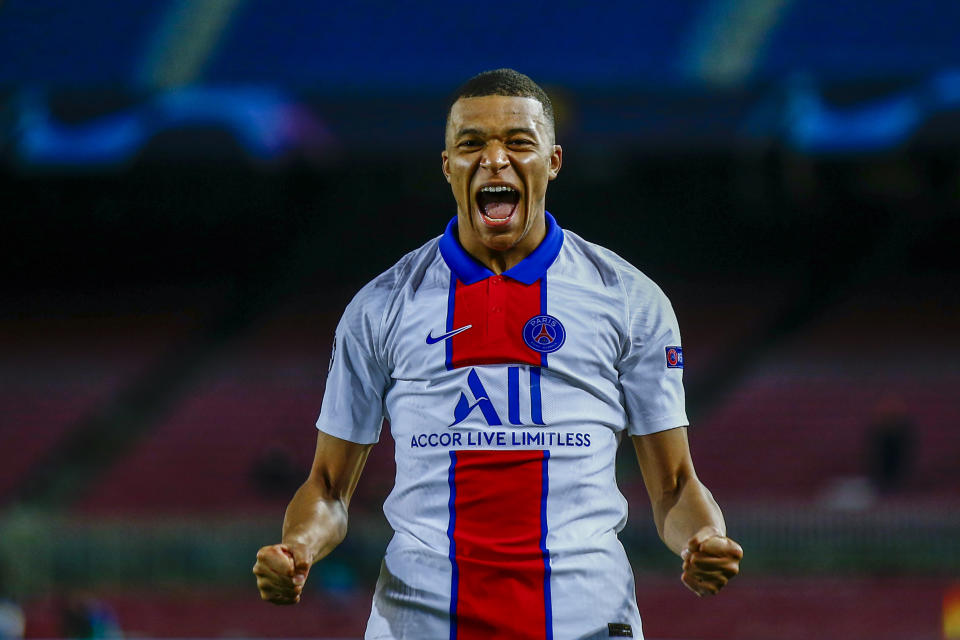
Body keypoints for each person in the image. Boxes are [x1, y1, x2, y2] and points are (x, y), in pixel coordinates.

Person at [253, 68, 742, 639]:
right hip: (423, 622)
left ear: (553, 161)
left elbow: (676, 486)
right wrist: (298, 547)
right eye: (471, 144)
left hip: (583, 620)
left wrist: (702, 539)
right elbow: (329, 488)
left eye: (517, 142)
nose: (494, 159)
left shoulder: (628, 299)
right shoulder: (381, 306)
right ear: (447, 166)